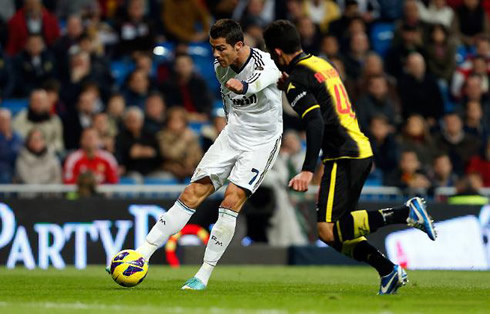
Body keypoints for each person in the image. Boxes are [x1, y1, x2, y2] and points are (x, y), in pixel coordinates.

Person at [263, 20, 437, 295]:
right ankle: (388, 270)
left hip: (342, 154)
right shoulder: (321, 64)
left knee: (327, 230)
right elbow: (325, 100)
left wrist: (308, 169)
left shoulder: (297, 79)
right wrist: (290, 87)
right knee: (337, 232)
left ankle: (406, 213)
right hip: (357, 149)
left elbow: (316, 122)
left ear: (277, 52)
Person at [123, 19, 283, 290]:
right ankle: (141, 255)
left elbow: (252, 85)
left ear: (239, 45)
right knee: (190, 194)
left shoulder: (266, 64)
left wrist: (241, 87)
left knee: (230, 201)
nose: (215, 54)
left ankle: (203, 275)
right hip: (233, 135)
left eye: (221, 48)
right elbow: (227, 99)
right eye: (213, 48)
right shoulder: (220, 67)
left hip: (262, 143)